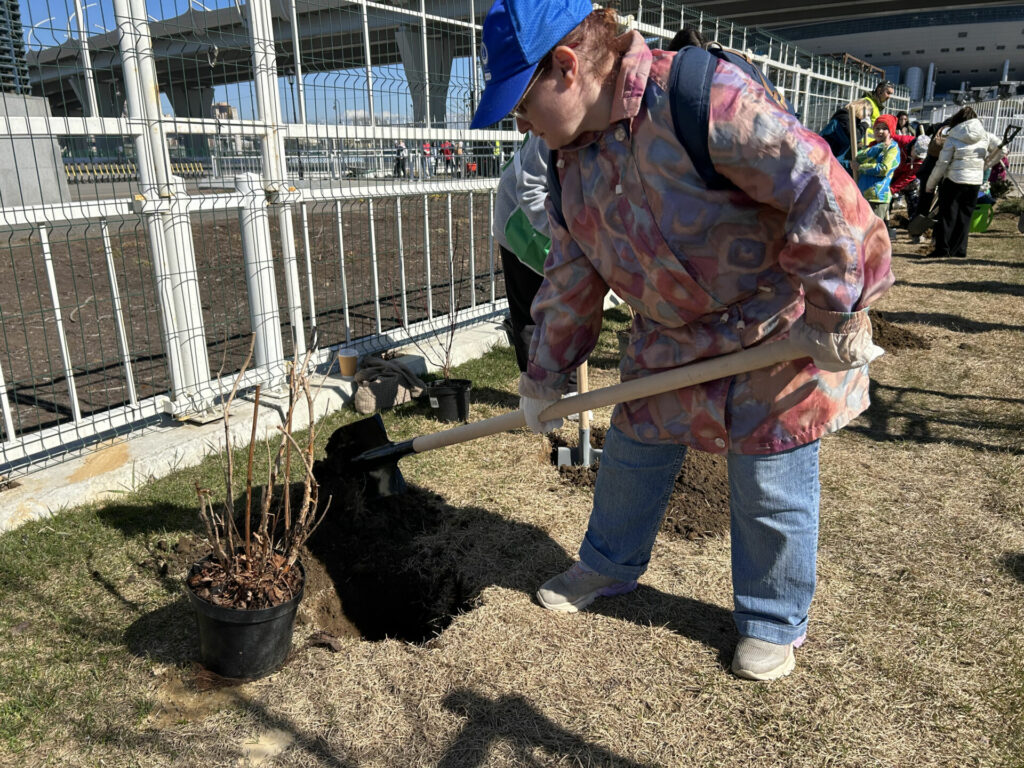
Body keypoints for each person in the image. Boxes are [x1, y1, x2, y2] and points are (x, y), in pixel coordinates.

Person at [470, 0, 893, 681]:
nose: (519, 125)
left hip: (774, 328)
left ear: (566, 68)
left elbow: (819, 186)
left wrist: (839, 307)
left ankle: (772, 618)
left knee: (771, 478)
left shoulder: (702, 100)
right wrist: (544, 373)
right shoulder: (566, 161)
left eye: (521, 105)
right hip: (666, 334)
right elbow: (573, 270)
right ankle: (607, 564)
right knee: (633, 451)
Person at [493, 134, 550, 373]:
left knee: (564, 313)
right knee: (530, 317)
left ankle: (566, 391)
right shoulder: (551, 129)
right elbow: (531, 190)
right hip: (517, 221)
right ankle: (536, 392)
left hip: (552, 227)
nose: (521, 126)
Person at [925, 109, 1006, 258]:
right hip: (974, 181)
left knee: (947, 215)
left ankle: (943, 249)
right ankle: (959, 250)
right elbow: (1003, 149)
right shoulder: (985, 135)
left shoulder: (953, 136)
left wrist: (930, 184)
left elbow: (942, 163)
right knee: (965, 216)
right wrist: (986, 164)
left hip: (953, 180)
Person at [855, 114, 901, 221]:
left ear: (891, 131)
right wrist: (879, 147)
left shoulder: (893, 149)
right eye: (877, 128)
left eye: (884, 128)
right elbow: (859, 157)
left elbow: (883, 169)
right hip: (863, 195)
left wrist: (860, 167)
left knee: (873, 231)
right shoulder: (873, 146)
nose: (880, 131)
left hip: (878, 198)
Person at [859, 79, 895, 146]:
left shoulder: (875, 106)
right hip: (864, 145)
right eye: (888, 93)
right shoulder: (867, 103)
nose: (889, 97)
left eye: (890, 94)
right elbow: (861, 125)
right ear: (879, 90)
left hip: (871, 145)